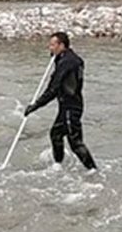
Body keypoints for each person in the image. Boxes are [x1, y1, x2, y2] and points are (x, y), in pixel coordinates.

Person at [23, 31, 96, 170]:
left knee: (75, 142)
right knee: (56, 134)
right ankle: (58, 166)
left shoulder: (67, 62)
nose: (50, 48)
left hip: (71, 107)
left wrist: (35, 106)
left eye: (52, 45)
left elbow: (53, 89)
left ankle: (93, 170)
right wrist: (57, 58)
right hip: (66, 106)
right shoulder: (68, 59)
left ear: (61, 45)